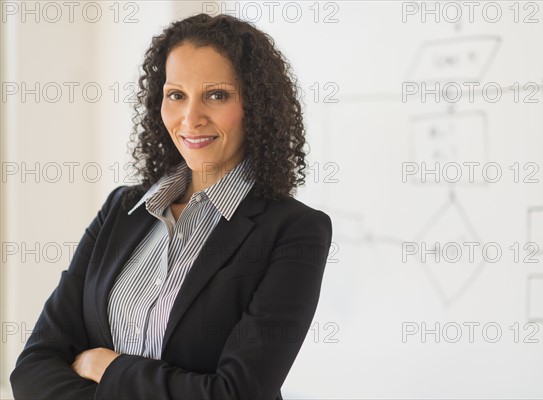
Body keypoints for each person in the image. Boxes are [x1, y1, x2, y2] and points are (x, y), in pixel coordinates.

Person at [10, 13, 332, 399]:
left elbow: (236, 393)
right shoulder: (122, 208)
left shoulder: (293, 231)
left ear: (256, 106)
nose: (190, 118)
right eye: (176, 95)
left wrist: (107, 367)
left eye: (217, 95)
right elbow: (33, 366)